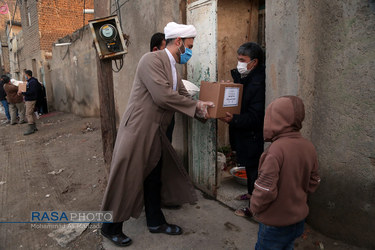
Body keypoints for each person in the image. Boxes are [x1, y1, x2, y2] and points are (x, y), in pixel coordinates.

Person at [100, 22, 214, 247]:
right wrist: (196, 107)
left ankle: (155, 221)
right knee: (127, 177)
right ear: (178, 42)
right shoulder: (150, 60)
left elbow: (182, 95)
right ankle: (109, 227)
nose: (191, 51)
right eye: (189, 46)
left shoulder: (174, 67)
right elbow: (162, 96)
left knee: (154, 178)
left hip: (158, 130)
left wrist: (204, 109)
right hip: (139, 129)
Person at [250, 96, 321, 249]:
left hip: (275, 223)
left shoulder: (275, 151)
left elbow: (265, 190)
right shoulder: (308, 146)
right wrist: (298, 195)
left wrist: (254, 207)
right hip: (298, 220)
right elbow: (314, 180)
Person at [220, 42, 265, 217]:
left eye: (242, 60)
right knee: (247, 165)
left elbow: (256, 115)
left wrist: (235, 119)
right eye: (238, 59)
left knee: (254, 169)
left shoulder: (259, 83)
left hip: (253, 134)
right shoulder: (246, 77)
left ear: (254, 62)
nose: (239, 63)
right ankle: (250, 193)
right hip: (244, 132)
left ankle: (253, 208)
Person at [22, 70, 41, 135]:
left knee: (28, 114)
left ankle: (31, 128)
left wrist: (23, 92)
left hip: (31, 99)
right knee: (31, 113)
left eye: (24, 75)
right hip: (30, 99)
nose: (24, 76)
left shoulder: (32, 82)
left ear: (27, 75)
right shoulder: (30, 81)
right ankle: (34, 127)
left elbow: (31, 92)